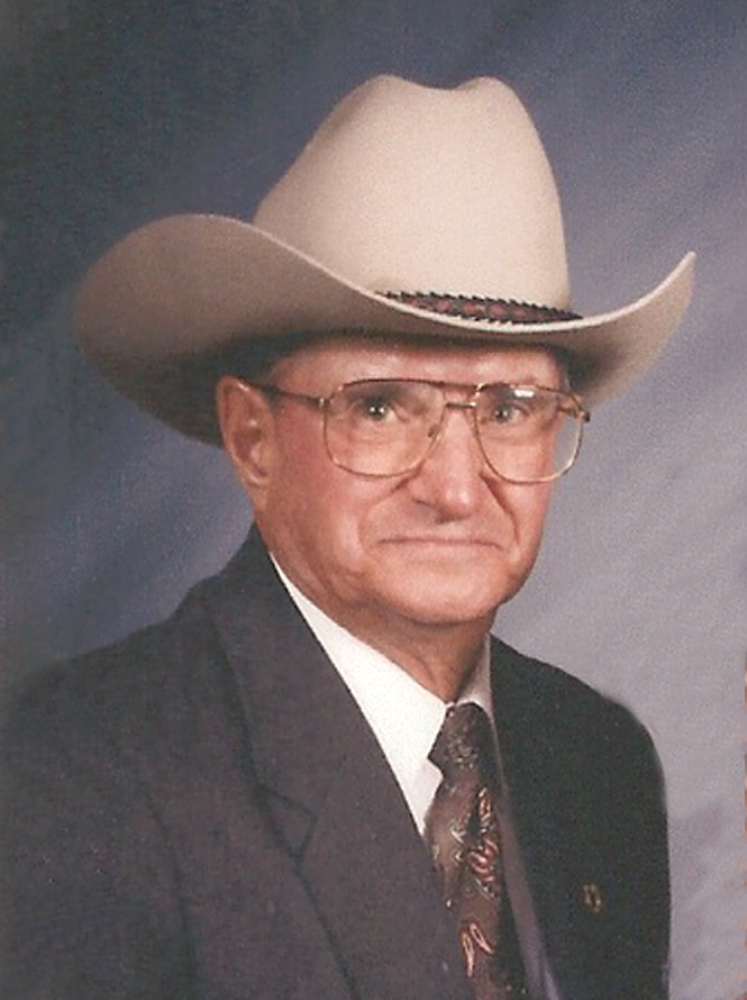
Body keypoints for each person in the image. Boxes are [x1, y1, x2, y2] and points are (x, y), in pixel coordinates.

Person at [1, 75, 694, 1000]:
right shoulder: (78, 780)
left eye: (510, 409)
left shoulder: (596, 759)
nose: (456, 489)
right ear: (252, 438)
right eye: (378, 408)